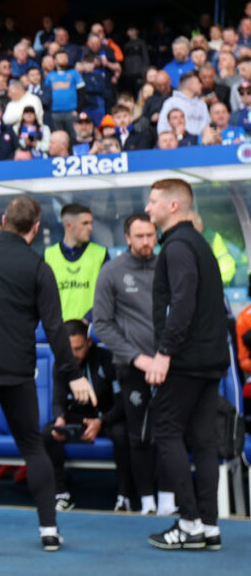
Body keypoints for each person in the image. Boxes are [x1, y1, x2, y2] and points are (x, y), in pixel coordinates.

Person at [0, 195, 95, 556]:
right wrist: (74, 376)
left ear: (4, 219)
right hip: (16, 370)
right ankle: (49, 531)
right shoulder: (38, 266)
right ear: (36, 228)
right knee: (32, 446)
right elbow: (56, 328)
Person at [144, 179, 230, 550]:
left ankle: (190, 523)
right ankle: (208, 526)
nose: (148, 209)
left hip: (185, 359)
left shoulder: (177, 247)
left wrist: (164, 352)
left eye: (153, 201)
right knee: (204, 441)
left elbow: (182, 303)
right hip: (209, 357)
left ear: (174, 206)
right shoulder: (198, 244)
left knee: (167, 434)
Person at [92, 213, 168, 516]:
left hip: (168, 364)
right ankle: (147, 502)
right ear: (127, 238)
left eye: (151, 235)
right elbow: (103, 323)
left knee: (168, 434)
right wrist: (137, 357)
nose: (147, 241)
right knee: (139, 435)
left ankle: (168, 501)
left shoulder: (167, 265)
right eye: (140, 236)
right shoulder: (111, 272)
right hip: (132, 366)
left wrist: (166, 355)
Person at [41, 320, 129, 512]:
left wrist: (101, 421)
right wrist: (60, 419)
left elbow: (121, 403)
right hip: (80, 418)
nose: (74, 354)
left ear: (89, 342)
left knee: (122, 434)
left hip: (108, 417)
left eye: (79, 348)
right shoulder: (61, 364)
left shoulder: (108, 359)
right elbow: (58, 401)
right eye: (69, 348)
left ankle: (125, 496)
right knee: (49, 433)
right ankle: (61, 494)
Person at [44, 203, 108, 323]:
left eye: (91, 223)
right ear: (69, 225)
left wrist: (87, 319)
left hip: (91, 331)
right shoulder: (48, 256)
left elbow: (108, 295)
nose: (90, 228)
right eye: (85, 223)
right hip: (59, 330)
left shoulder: (101, 254)